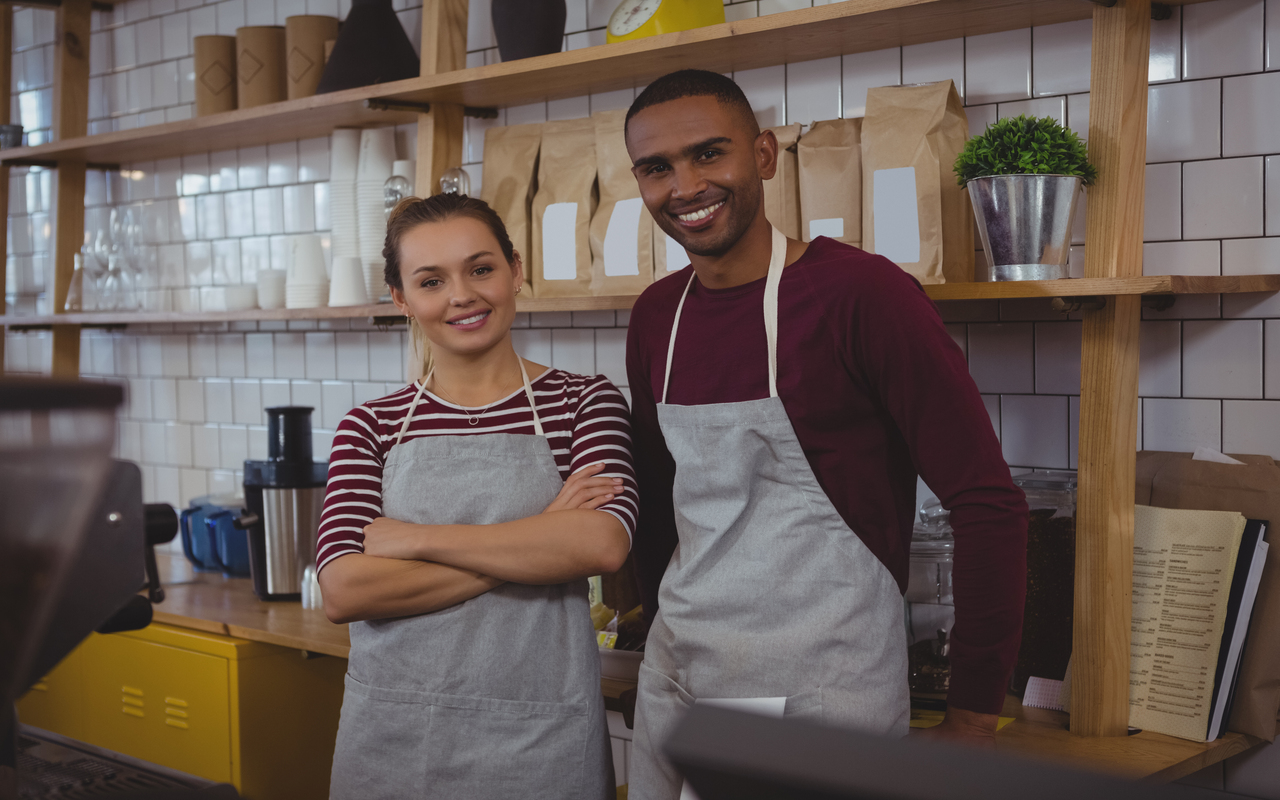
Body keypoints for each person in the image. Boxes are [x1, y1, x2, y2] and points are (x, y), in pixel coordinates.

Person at [622, 70, 1029, 798]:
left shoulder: (862, 295)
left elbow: (987, 501)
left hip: (818, 701)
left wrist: (973, 716)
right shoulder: (657, 315)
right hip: (677, 688)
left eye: (709, 154)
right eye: (658, 168)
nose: (685, 186)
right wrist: (656, 633)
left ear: (764, 155)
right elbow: (657, 503)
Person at [316, 193, 637, 800]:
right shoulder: (370, 426)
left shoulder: (583, 403)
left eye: (480, 268)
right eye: (431, 280)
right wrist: (541, 536)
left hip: (542, 740)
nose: (461, 294)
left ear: (515, 271)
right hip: (394, 738)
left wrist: (416, 540)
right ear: (401, 299)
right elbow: (346, 590)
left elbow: (599, 545)